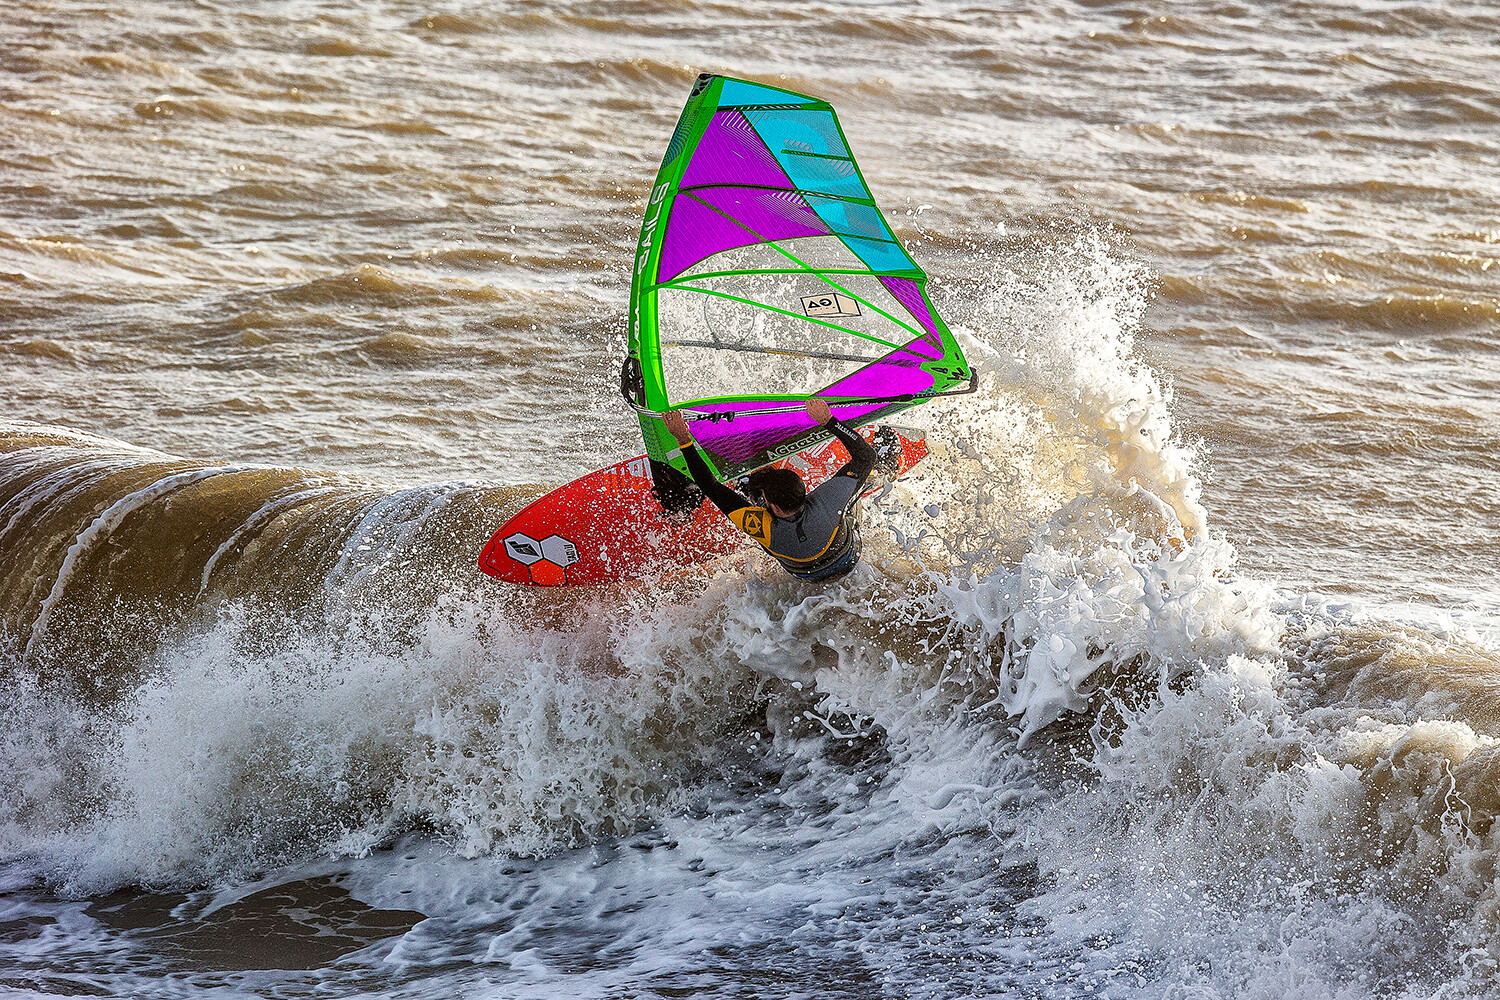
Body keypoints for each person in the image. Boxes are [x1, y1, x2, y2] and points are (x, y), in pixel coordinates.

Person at [662, 398, 878, 582]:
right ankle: (882, 470)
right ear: (804, 491)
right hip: (848, 559)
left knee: (749, 493)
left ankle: (746, 483)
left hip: (806, 577)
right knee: (849, 496)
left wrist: (683, 439)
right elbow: (867, 457)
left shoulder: (764, 527)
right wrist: (827, 420)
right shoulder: (827, 501)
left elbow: (710, 486)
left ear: (773, 506)